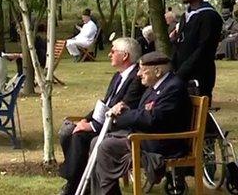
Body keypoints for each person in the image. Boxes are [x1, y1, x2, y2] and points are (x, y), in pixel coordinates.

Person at [90, 51, 193, 195]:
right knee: (96, 141)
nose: (138, 74)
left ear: (157, 71)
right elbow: (142, 112)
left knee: (106, 146)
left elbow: (152, 120)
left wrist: (122, 116)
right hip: (146, 136)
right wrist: (125, 109)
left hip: (163, 142)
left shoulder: (173, 87)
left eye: (142, 70)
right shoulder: (154, 87)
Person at [56, 38, 145, 195]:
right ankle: (77, 181)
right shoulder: (118, 76)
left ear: (125, 56)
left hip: (118, 127)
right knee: (66, 131)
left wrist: (92, 126)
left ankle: (73, 183)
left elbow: (121, 110)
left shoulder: (137, 79)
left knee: (79, 136)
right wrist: (86, 119)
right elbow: (105, 103)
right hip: (103, 122)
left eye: (113, 51)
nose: (109, 54)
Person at [171, 0, 223, 98]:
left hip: (199, 74)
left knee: (198, 114)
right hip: (180, 74)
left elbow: (203, 50)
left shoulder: (209, 16)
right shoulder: (186, 15)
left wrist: (182, 72)